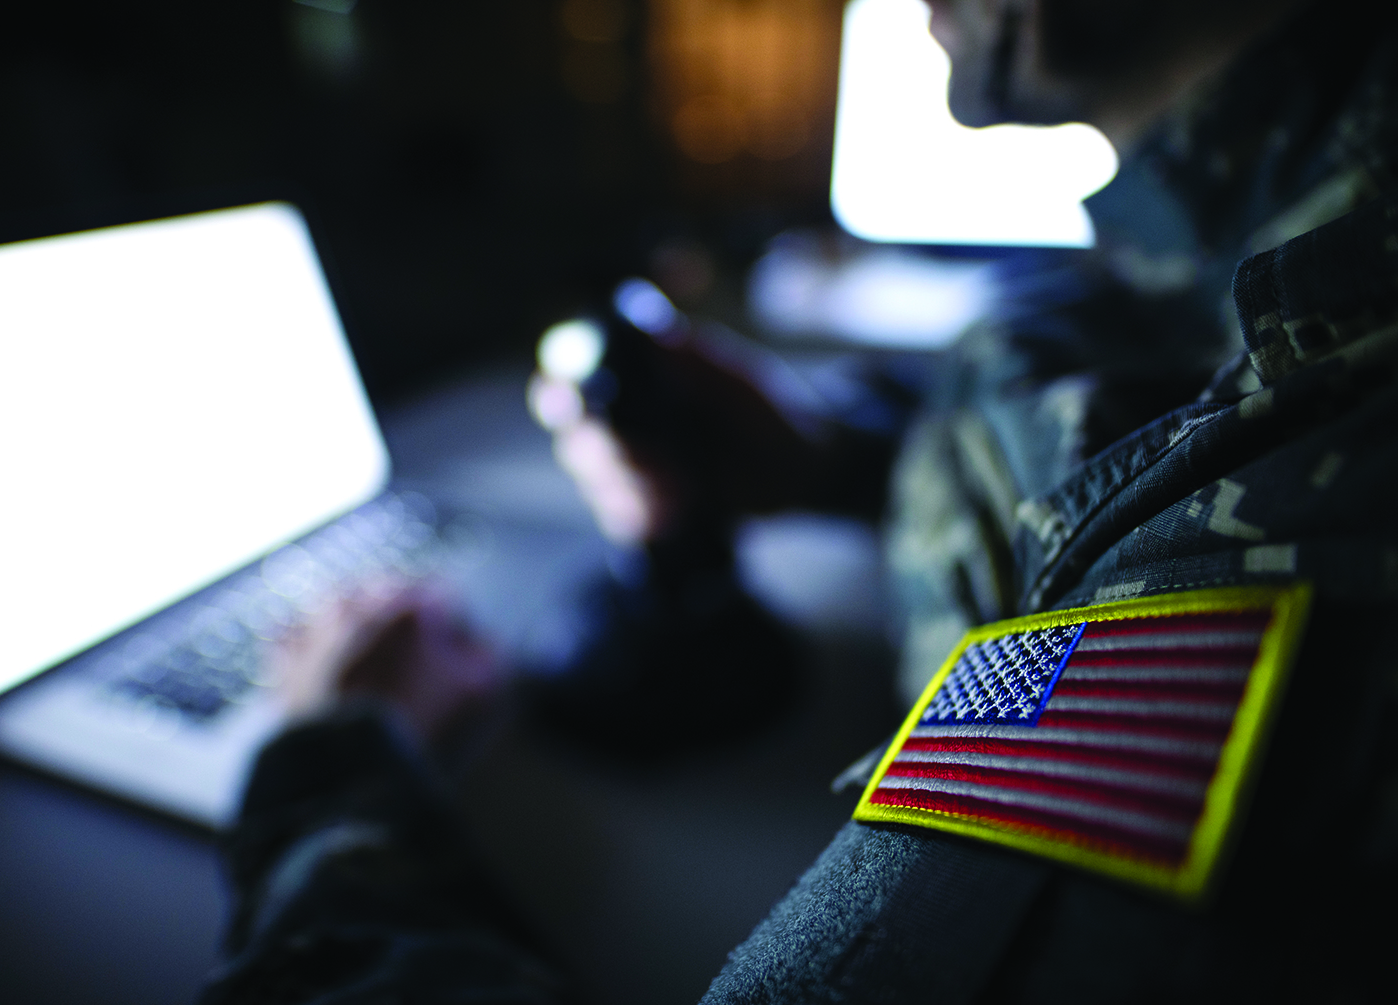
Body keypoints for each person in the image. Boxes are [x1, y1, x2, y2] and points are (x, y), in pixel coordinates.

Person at [198, 0, 1398, 1001]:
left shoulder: (1333, 464)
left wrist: (328, 783)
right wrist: (833, 460)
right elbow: (1169, 379)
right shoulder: (1281, 205)